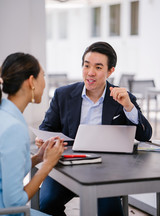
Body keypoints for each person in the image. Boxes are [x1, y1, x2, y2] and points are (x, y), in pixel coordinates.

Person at [36, 41, 152, 216]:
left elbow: (145, 135)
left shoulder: (122, 97)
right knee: (46, 203)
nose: (90, 73)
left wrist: (129, 108)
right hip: (67, 166)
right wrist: (43, 140)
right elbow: (47, 128)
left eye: (98, 67)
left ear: (110, 70)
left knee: (110, 212)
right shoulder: (63, 95)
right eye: (86, 65)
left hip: (107, 172)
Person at [0, 52, 67, 216]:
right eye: (42, 76)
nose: (45, 84)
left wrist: (38, 158)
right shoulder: (13, 128)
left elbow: (6, 171)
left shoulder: (5, 115)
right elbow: (14, 202)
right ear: (31, 82)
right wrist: (47, 165)